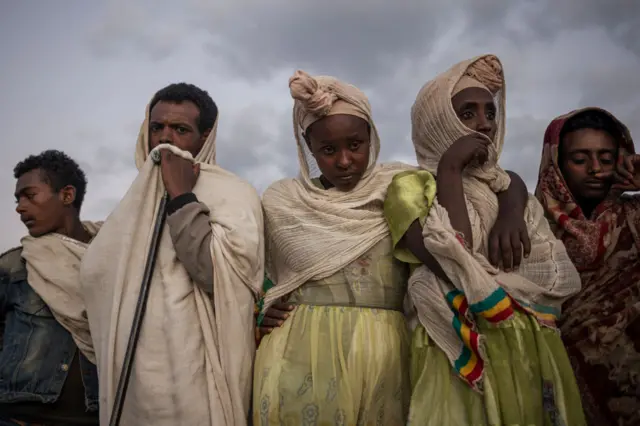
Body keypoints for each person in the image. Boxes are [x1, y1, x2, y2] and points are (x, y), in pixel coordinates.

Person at [387, 54, 586, 425]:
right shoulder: (410, 188)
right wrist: (449, 168)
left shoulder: (508, 191)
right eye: (467, 114)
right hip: (454, 346)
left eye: (490, 113)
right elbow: (454, 255)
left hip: (524, 343)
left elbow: (543, 268)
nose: (485, 125)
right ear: (437, 121)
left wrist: (511, 209)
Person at [76, 83, 264, 425]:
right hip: (132, 376)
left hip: (198, 373)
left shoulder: (232, 193)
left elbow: (217, 275)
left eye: (180, 130)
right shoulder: (132, 205)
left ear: (205, 137)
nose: (165, 139)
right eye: (157, 128)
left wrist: (181, 197)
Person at [535, 107, 640, 425]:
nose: (595, 169)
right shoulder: (530, 225)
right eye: (580, 160)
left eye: (606, 159)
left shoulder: (634, 217)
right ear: (556, 165)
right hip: (561, 388)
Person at [0, 150, 100, 426]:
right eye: (17, 199)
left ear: (67, 195)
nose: (19, 207)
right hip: (20, 419)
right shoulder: (14, 266)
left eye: (29, 195)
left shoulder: (115, 261)